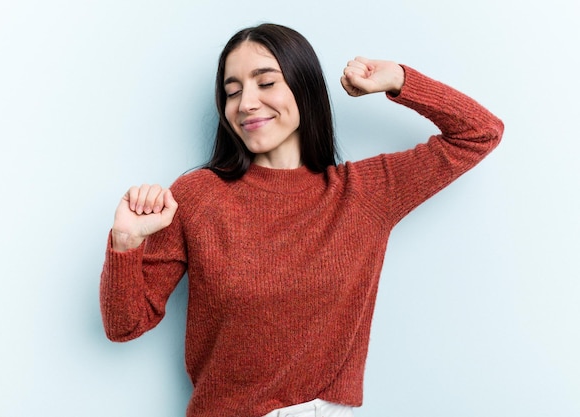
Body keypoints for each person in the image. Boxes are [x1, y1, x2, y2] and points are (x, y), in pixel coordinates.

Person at [100, 23, 503, 417]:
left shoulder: (364, 193)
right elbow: (125, 326)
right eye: (232, 91)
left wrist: (399, 79)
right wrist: (125, 242)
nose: (246, 103)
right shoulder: (197, 195)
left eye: (266, 82)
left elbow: (480, 133)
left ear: (304, 88)